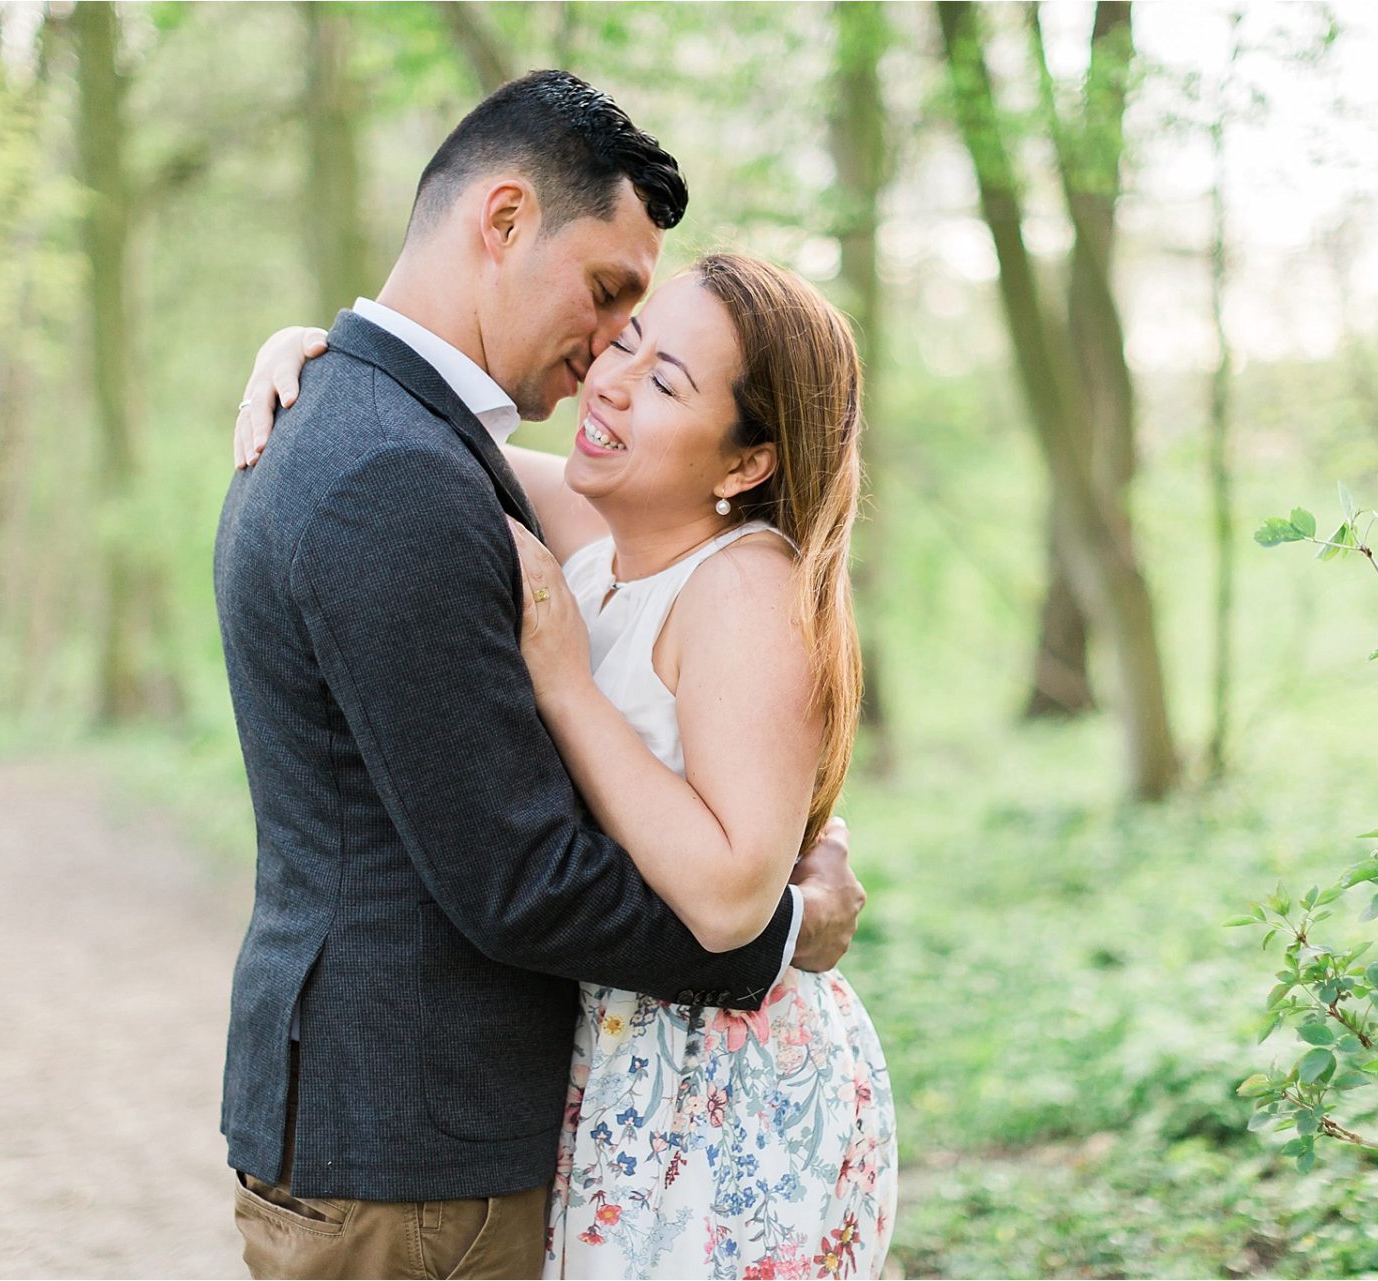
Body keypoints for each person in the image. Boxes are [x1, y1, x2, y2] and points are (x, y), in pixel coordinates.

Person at [214, 70, 866, 1281]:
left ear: (750, 457)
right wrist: (788, 933)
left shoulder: (433, 458)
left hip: (628, 1119)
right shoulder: (407, 472)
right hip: (421, 1143)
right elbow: (523, 882)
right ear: (504, 222)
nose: (607, 365)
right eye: (615, 312)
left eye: (654, 359)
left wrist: (327, 347)